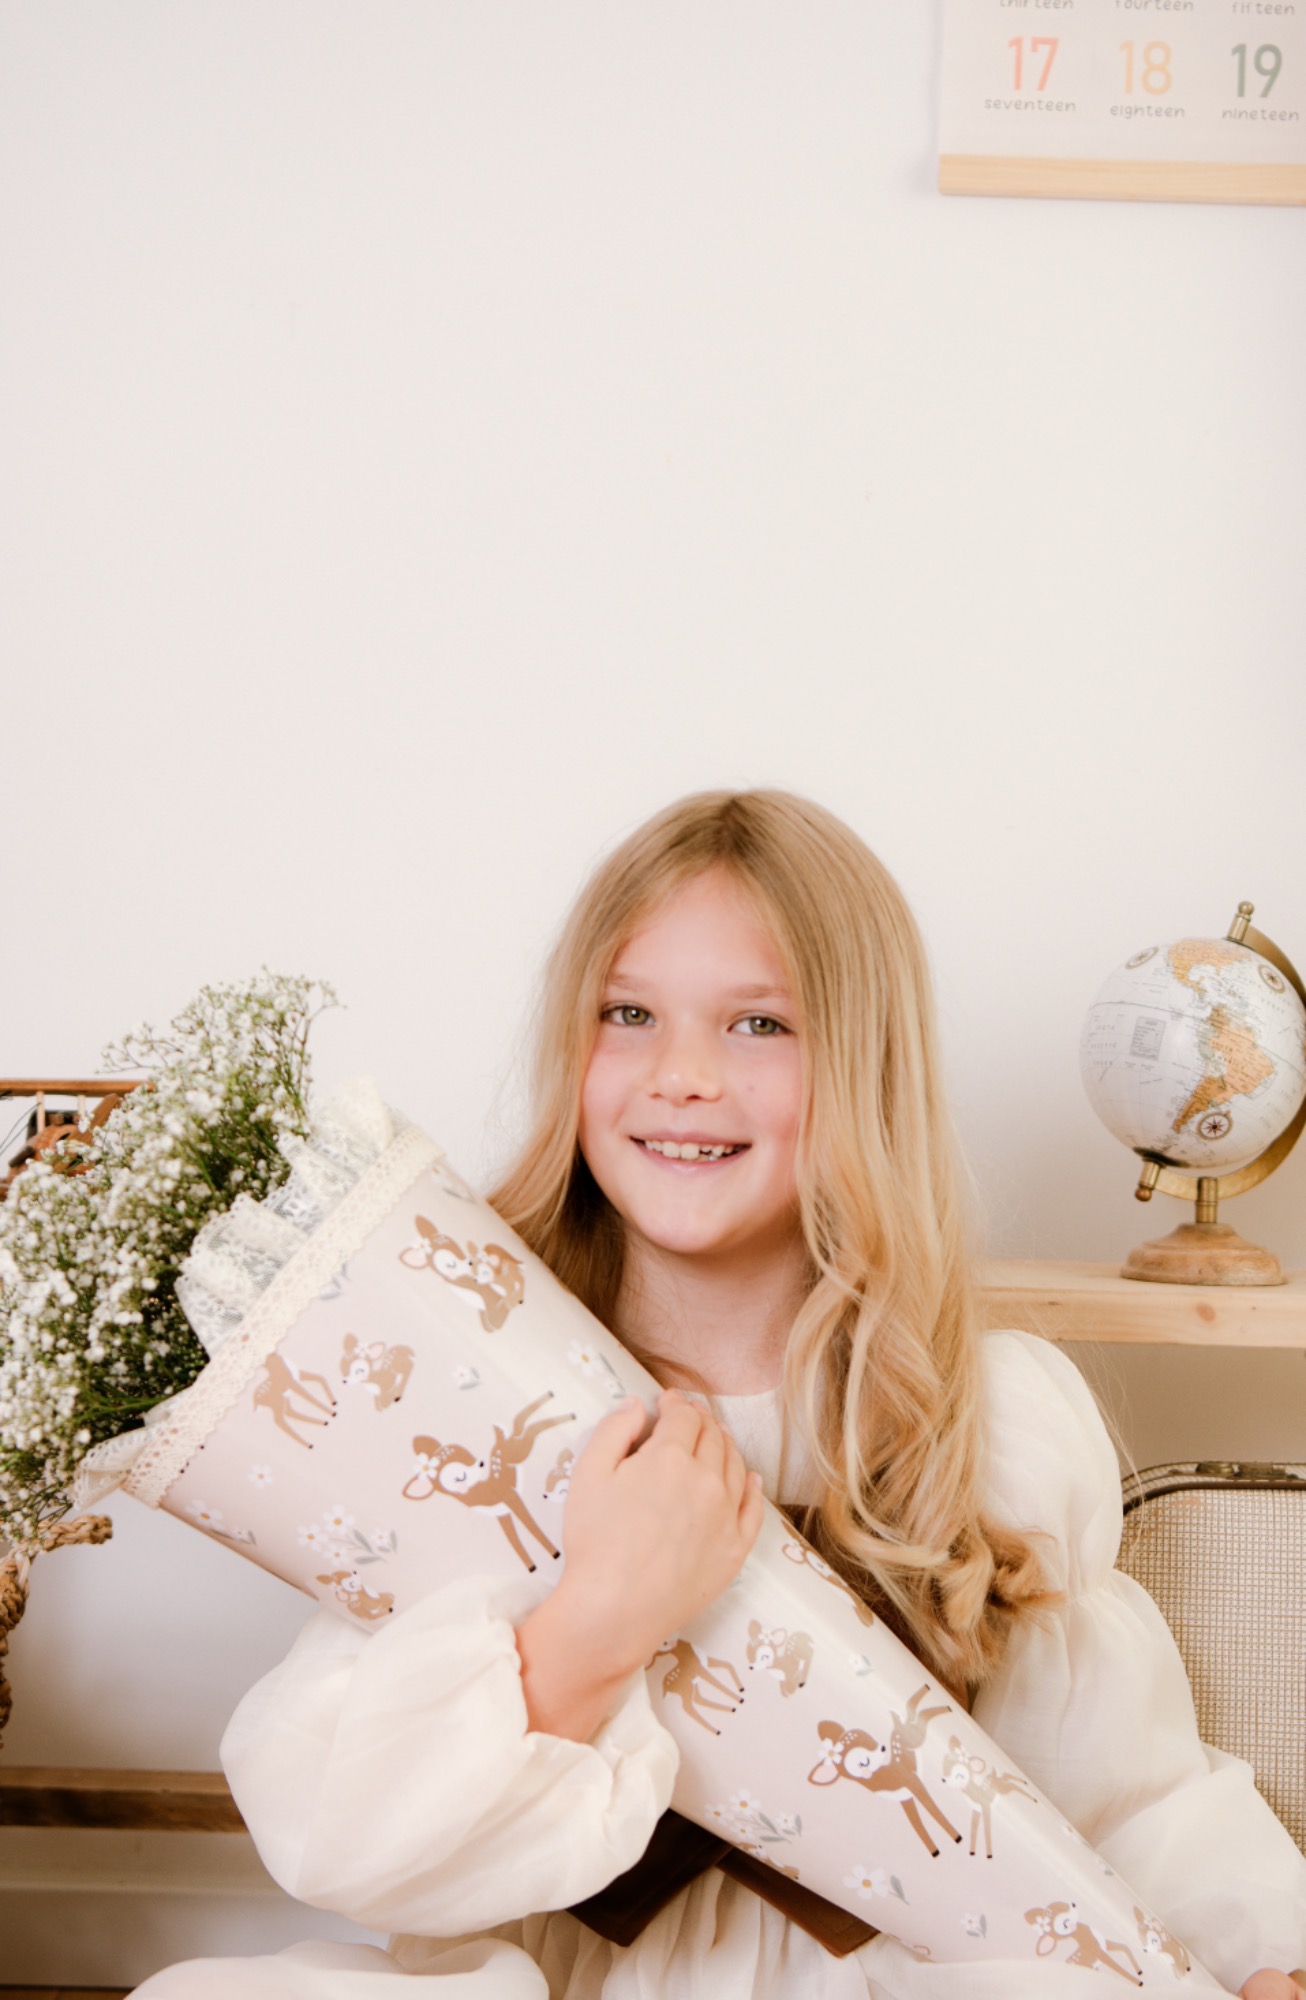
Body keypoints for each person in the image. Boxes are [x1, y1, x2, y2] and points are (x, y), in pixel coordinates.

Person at [133, 791, 1306, 2000]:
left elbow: (1125, 1793)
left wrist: (1256, 1951)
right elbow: (353, 1844)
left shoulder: (991, 1418)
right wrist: (603, 1615)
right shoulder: (473, 1398)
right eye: (627, 1013)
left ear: (864, 1064)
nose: (681, 1075)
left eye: (758, 1023)